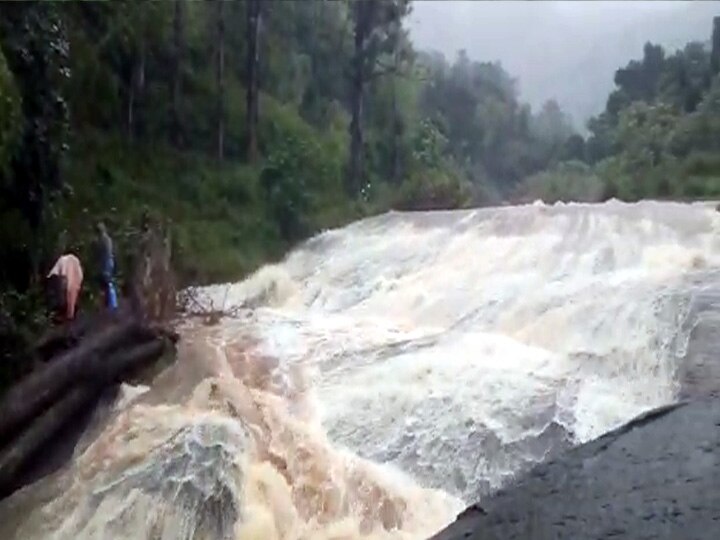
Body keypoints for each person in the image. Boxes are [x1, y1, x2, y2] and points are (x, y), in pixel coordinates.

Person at [47, 253, 83, 321]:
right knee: (71, 295)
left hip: (61, 276)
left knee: (68, 294)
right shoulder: (70, 260)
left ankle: (66, 314)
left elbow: (63, 276)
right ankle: (69, 313)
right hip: (67, 276)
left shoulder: (64, 260)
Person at [96, 222, 118, 310]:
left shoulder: (104, 240)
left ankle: (112, 303)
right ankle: (109, 303)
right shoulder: (106, 239)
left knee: (108, 282)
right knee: (106, 283)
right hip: (107, 262)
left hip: (107, 263)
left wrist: (105, 267)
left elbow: (106, 254)